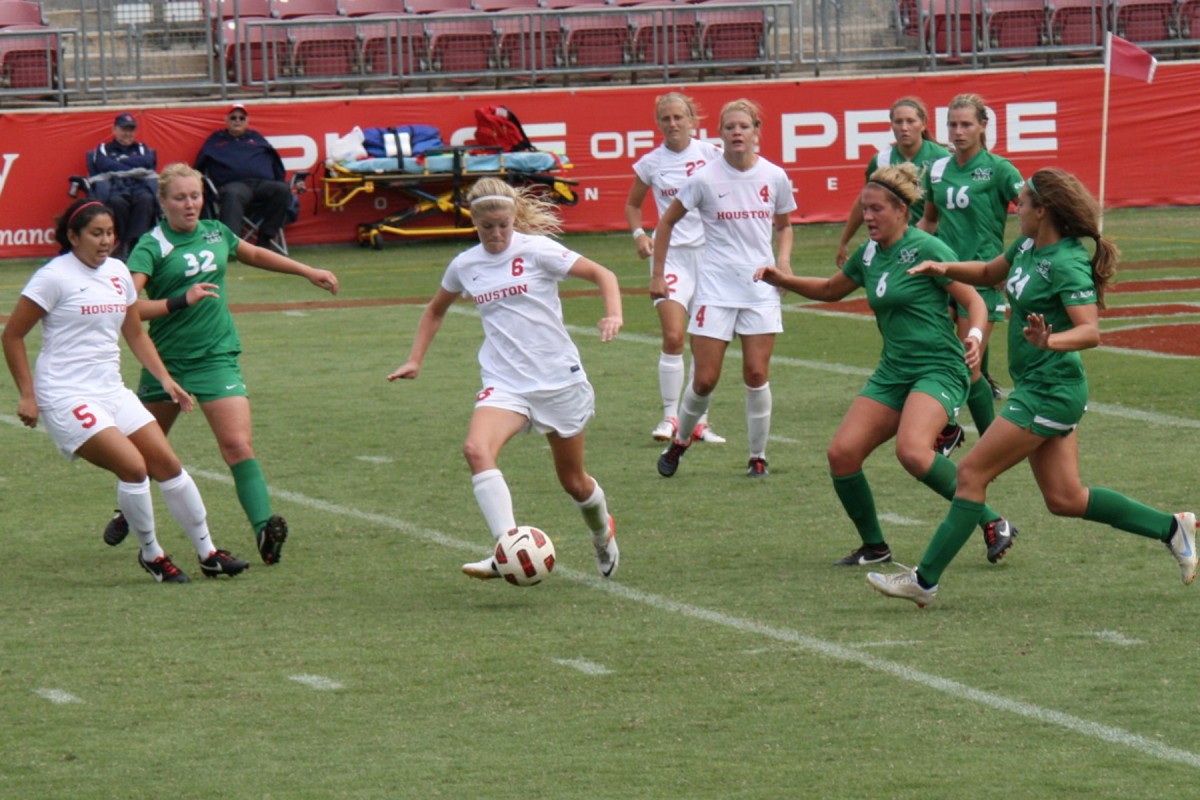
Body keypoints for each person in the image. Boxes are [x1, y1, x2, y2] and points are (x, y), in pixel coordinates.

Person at [868, 168, 1197, 607]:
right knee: (1065, 498)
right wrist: (943, 267)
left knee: (969, 474)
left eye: (1021, 202)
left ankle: (924, 581)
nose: (1015, 207)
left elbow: (1090, 332)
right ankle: (1172, 528)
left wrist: (1050, 340)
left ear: (1042, 211)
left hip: (1050, 390)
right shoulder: (1026, 245)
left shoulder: (1066, 262)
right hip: (1040, 386)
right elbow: (988, 272)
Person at [755, 163, 1016, 566]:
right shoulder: (870, 254)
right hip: (893, 371)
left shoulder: (927, 248)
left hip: (938, 368)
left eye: (876, 209)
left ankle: (991, 520)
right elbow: (830, 289)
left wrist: (976, 338)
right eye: (864, 208)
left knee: (912, 451)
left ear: (901, 211)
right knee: (841, 454)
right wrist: (780, 278)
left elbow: (975, 300)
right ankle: (875, 547)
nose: (868, 218)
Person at [101, 163, 340, 566]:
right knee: (142, 454)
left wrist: (307, 270)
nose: (190, 204)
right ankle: (128, 510)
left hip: (216, 357)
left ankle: (265, 529)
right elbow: (127, 309)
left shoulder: (216, 232)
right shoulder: (151, 246)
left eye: (195, 196)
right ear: (163, 202)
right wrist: (180, 300)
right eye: (180, 197)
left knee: (237, 445)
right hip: (167, 364)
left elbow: (254, 253)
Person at [1, 199, 249, 583]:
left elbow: (133, 331)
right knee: (134, 468)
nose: (106, 242)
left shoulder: (118, 272)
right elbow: (13, 335)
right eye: (96, 234)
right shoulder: (53, 277)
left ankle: (208, 553)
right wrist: (27, 395)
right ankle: (152, 554)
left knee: (167, 464)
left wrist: (166, 380)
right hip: (67, 395)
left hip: (111, 391)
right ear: (72, 236)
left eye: (110, 234)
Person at [388, 176, 622, 581]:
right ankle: (507, 548)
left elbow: (604, 274)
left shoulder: (538, 251)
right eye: (486, 227)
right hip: (505, 382)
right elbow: (435, 310)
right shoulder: (465, 264)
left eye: (503, 225)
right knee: (476, 450)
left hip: (557, 380)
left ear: (514, 218)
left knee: (573, 482)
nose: (496, 234)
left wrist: (613, 313)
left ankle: (602, 531)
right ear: (473, 223)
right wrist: (415, 359)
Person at [653, 98, 795, 479]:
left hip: (759, 289)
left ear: (756, 132)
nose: (737, 132)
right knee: (705, 378)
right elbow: (666, 224)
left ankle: (758, 456)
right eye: (730, 127)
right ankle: (681, 440)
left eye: (744, 127)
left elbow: (784, 225)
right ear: (719, 133)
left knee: (755, 374)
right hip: (714, 289)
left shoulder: (774, 176)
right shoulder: (703, 178)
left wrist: (783, 264)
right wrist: (657, 273)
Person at [918, 93, 1025, 455]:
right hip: (941, 275)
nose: (959, 131)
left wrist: (1006, 265)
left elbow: (1034, 214)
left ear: (983, 126)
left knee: (969, 365)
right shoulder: (937, 169)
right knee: (935, 352)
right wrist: (910, 251)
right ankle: (950, 427)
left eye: (966, 124)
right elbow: (929, 220)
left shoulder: (999, 169)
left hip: (981, 280)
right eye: (953, 124)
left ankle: (984, 438)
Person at [625, 92, 725, 445]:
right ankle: (669, 416)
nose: (672, 124)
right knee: (673, 336)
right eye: (666, 118)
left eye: (679, 117)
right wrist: (639, 234)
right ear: (658, 123)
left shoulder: (713, 155)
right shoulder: (651, 163)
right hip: (671, 257)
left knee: (704, 343)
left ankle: (699, 421)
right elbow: (633, 205)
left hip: (711, 259)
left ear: (692, 120)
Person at [834, 96, 948, 269]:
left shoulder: (943, 158)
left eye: (910, 121)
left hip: (935, 243)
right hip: (895, 245)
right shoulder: (881, 160)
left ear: (923, 124)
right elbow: (863, 201)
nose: (904, 127)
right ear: (891, 125)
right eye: (898, 122)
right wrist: (844, 241)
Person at [194, 103, 293, 252]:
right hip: (234, 185)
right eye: (233, 117)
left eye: (241, 118)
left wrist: (280, 180)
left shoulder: (255, 137)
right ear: (226, 120)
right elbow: (199, 166)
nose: (237, 121)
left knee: (283, 189)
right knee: (233, 194)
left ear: (247, 121)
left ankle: (266, 238)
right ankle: (232, 244)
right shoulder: (216, 140)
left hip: (262, 184)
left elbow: (275, 161)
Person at [86, 112, 158, 261]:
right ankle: (124, 243)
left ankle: (135, 243)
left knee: (146, 199)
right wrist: (132, 163)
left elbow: (148, 162)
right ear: (115, 130)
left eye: (131, 130)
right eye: (124, 129)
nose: (127, 133)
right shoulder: (104, 148)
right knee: (116, 202)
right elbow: (103, 164)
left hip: (139, 184)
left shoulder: (141, 147)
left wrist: (119, 164)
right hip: (115, 185)